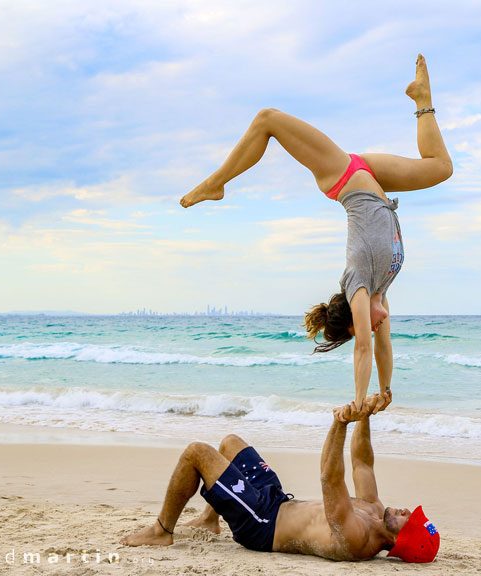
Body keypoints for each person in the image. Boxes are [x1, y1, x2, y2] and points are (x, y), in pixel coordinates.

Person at [180, 55, 452, 414]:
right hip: (368, 175)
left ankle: (215, 184)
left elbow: (365, 348)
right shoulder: (380, 294)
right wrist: (385, 392)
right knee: (440, 168)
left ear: (357, 325)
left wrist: (357, 404)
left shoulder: (359, 283)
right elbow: (383, 348)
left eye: (368, 327)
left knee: (267, 119)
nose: (381, 324)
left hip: (342, 175)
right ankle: (421, 98)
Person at [120, 392, 439, 563]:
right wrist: (366, 415)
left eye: (409, 521)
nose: (406, 511)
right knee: (231, 443)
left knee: (197, 453)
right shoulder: (374, 508)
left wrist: (340, 422)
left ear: (400, 541)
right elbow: (362, 464)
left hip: (262, 525)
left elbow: (330, 479)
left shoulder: (358, 540)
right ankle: (208, 518)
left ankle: (162, 531)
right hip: (276, 500)